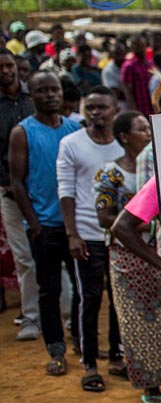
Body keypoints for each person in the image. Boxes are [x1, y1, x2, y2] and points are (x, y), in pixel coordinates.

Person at [8, 71, 81, 375]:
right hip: (44, 224)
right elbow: (17, 181)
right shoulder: (22, 132)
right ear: (32, 95)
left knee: (81, 288)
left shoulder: (75, 129)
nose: (51, 95)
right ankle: (55, 348)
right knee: (48, 289)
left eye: (55, 90)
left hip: (75, 225)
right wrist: (33, 222)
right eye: (43, 90)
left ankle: (81, 340)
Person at [96, 112, 161, 403]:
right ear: (124, 137)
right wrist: (143, 221)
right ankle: (149, 386)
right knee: (138, 323)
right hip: (129, 256)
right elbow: (106, 218)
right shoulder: (110, 173)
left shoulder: (154, 168)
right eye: (141, 129)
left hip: (153, 250)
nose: (147, 133)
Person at [56, 86, 124, 391]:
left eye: (102, 107)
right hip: (87, 232)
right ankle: (90, 364)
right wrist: (72, 233)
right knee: (91, 297)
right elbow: (66, 191)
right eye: (90, 107)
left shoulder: (124, 147)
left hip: (120, 234)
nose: (95, 112)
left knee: (117, 298)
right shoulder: (71, 144)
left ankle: (115, 357)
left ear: (114, 110)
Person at [0, 48, 37, 340]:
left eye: (9, 65)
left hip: (41, 191)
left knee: (53, 251)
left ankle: (61, 313)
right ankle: (31, 317)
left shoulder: (33, 99)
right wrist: (8, 184)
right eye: (0, 67)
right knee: (23, 256)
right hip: (10, 192)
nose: (6, 71)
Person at [121, 34, 154, 116]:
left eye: (142, 46)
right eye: (137, 46)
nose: (141, 49)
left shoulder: (150, 63)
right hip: (139, 108)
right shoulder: (128, 66)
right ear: (132, 48)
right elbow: (128, 91)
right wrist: (135, 112)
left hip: (152, 107)